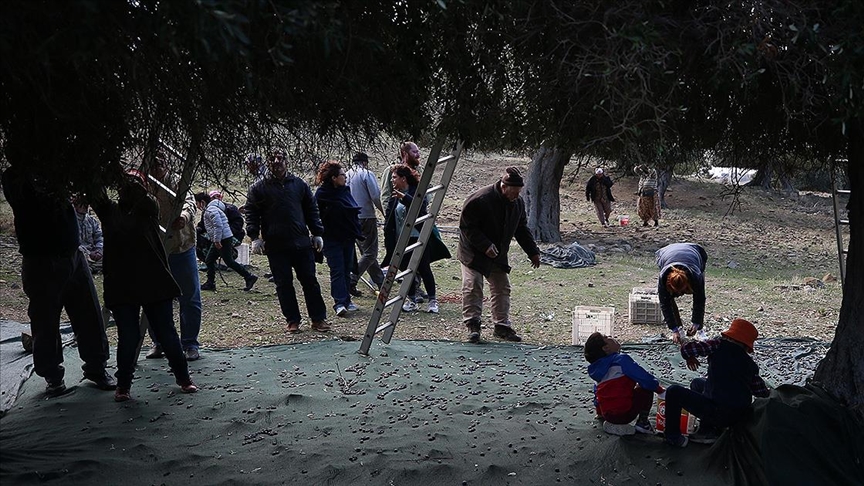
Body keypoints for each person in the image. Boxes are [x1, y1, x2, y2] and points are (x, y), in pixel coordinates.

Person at [2, 166, 115, 396]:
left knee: (89, 314)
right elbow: (40, 200)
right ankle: (52, 376)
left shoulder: (55, 165)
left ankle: (96, 367)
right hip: (41, 259)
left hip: (73, 254)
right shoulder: (16, 177)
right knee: (45, 320)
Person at [91, 169, 197, 401]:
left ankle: (184, 378)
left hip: (153, 281)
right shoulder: (110, 212)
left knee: (167, 333)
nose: (131, 185)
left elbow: (142, 196)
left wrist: (127, 179)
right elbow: (94, 189)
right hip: (123, 284)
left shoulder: (148, 209)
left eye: (137, 181)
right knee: (128, 336)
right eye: (127, 182)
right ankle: (123, 386)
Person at [245, 150, 330, 333]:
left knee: (310, 281)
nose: (277, 162)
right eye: (272, 159)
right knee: (283, 284)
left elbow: (311, 209)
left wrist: (317, 233)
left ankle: (318, 319)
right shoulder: (259, 188)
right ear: (266, 163)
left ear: (287, 161)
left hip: (301, 243)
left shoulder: (299, 184)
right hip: (275, 246)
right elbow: (251, 213)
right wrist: (254, 237)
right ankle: (292, 320)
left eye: (280, 158)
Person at [458, 167, 541, 343]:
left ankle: (501, 326)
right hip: (473, 251)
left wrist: (532, 252)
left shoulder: (517, 203)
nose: (516, 196)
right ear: (503, 187)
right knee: (473, 284)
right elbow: (467, 227)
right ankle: (473, 325)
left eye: (518, 193)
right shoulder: (480, 199)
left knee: (501, 287)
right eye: (513, 192)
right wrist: (485, 245)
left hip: (497, 252)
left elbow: (521, 229)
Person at [663, 318, 770, 447]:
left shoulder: (718, 345)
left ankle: (673, 436)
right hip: (738, 416)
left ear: (729, 336)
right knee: (697, 383)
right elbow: (761, 391)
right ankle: (708, 429)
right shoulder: (750, 364)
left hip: (717, 412)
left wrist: (690, 357)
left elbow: (688, 349)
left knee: (673, 392)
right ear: (746, 346)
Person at [144, 153, 203, 362]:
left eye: (159, 165)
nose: (155, 169)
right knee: (156, 297)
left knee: (189, 297)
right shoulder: (144, 184)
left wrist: (183, 218)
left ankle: (190, 344)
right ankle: (159, 342)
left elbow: (189, 202)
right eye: (152, 165)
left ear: (166, 165)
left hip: (181, 246)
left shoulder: (176, 181)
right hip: (155, 248)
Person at [584, 332, 665, 436]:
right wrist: (659, 390)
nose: (611, 337)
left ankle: (613, 424)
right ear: (606, 348)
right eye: (607, 337)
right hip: (625, 413)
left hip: (607, 414)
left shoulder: (596, 370)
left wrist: (600, 413)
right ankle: (642, 423)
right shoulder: (621, 360)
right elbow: (644, 378)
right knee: (645, 388)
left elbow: (597, 393)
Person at [314, 161, 363, 316]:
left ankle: (347, 300)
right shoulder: (321, 195)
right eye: (342, 175)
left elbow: (352, 211)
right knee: (337, 269)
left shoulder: (345, 191)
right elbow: (315, 216)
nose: (345, 178)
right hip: (330, 238)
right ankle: (339, 303)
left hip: (347, 238)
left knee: (346, 269)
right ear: (334, 177)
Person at [390, 164, 438, 313]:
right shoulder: (394, 195)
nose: (392, 180)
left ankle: (432, 301)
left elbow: (420, 207)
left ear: (403, 178)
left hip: (418, 237)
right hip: (401, 238)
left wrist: (404, 197)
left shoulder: (417, 192)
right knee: (406, 269)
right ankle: (411, 299)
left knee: (423, 268)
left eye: (394, 177)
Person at [195, 192, 258, 292]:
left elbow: (218, 225)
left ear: (202, 202)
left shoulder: (211, 210)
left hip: (223, 238)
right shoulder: (213, 208)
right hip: (222, 237)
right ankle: (210, 283)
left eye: (197, 204)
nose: (197, 207)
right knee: (209, 259)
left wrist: (216, 241)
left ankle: (249, 276)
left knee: (228, 261)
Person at [346, 152, 385, 290]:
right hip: (366, 216)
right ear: (365, 162)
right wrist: (383, 212)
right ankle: (352, 278)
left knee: (365, 252)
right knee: (371, 253)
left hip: (351, 217)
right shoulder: (366, 174)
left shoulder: (346, 174)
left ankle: (380, 281)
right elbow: (375, 196)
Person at [656, 242, 708, 344]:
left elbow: (700, 300)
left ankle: (699, 330)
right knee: (668, 299)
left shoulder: (696, 276)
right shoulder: (663, 278)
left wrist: (696, 323)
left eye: (682, 291)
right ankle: (679, 329)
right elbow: (665, 304)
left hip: (696, 252)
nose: (680, 294)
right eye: (677, 292)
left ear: (688, 283)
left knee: (699, 294)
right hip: (665, 253)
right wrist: (673, 329)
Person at [381, 141, 422, 267]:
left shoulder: (419, 170)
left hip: (415, 221)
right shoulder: (391, 171)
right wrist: (390, 217)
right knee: (395, 254)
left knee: (418, 257)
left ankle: (413, 283)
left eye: (418, 151)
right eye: (414, 152)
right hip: (397, 222)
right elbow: (385, 196)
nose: (418, 155)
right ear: (405, 153)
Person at [72, 195, 104, 273]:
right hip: (81, 254)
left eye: (87, 204)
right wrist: (88, 253)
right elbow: (74, 243)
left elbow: (99, 236)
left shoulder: (91, 220)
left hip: (94, 253)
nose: (85, 207)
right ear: (76, 206)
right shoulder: (72, 221)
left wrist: (99, 250)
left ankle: (92, 267)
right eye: (82, 204)